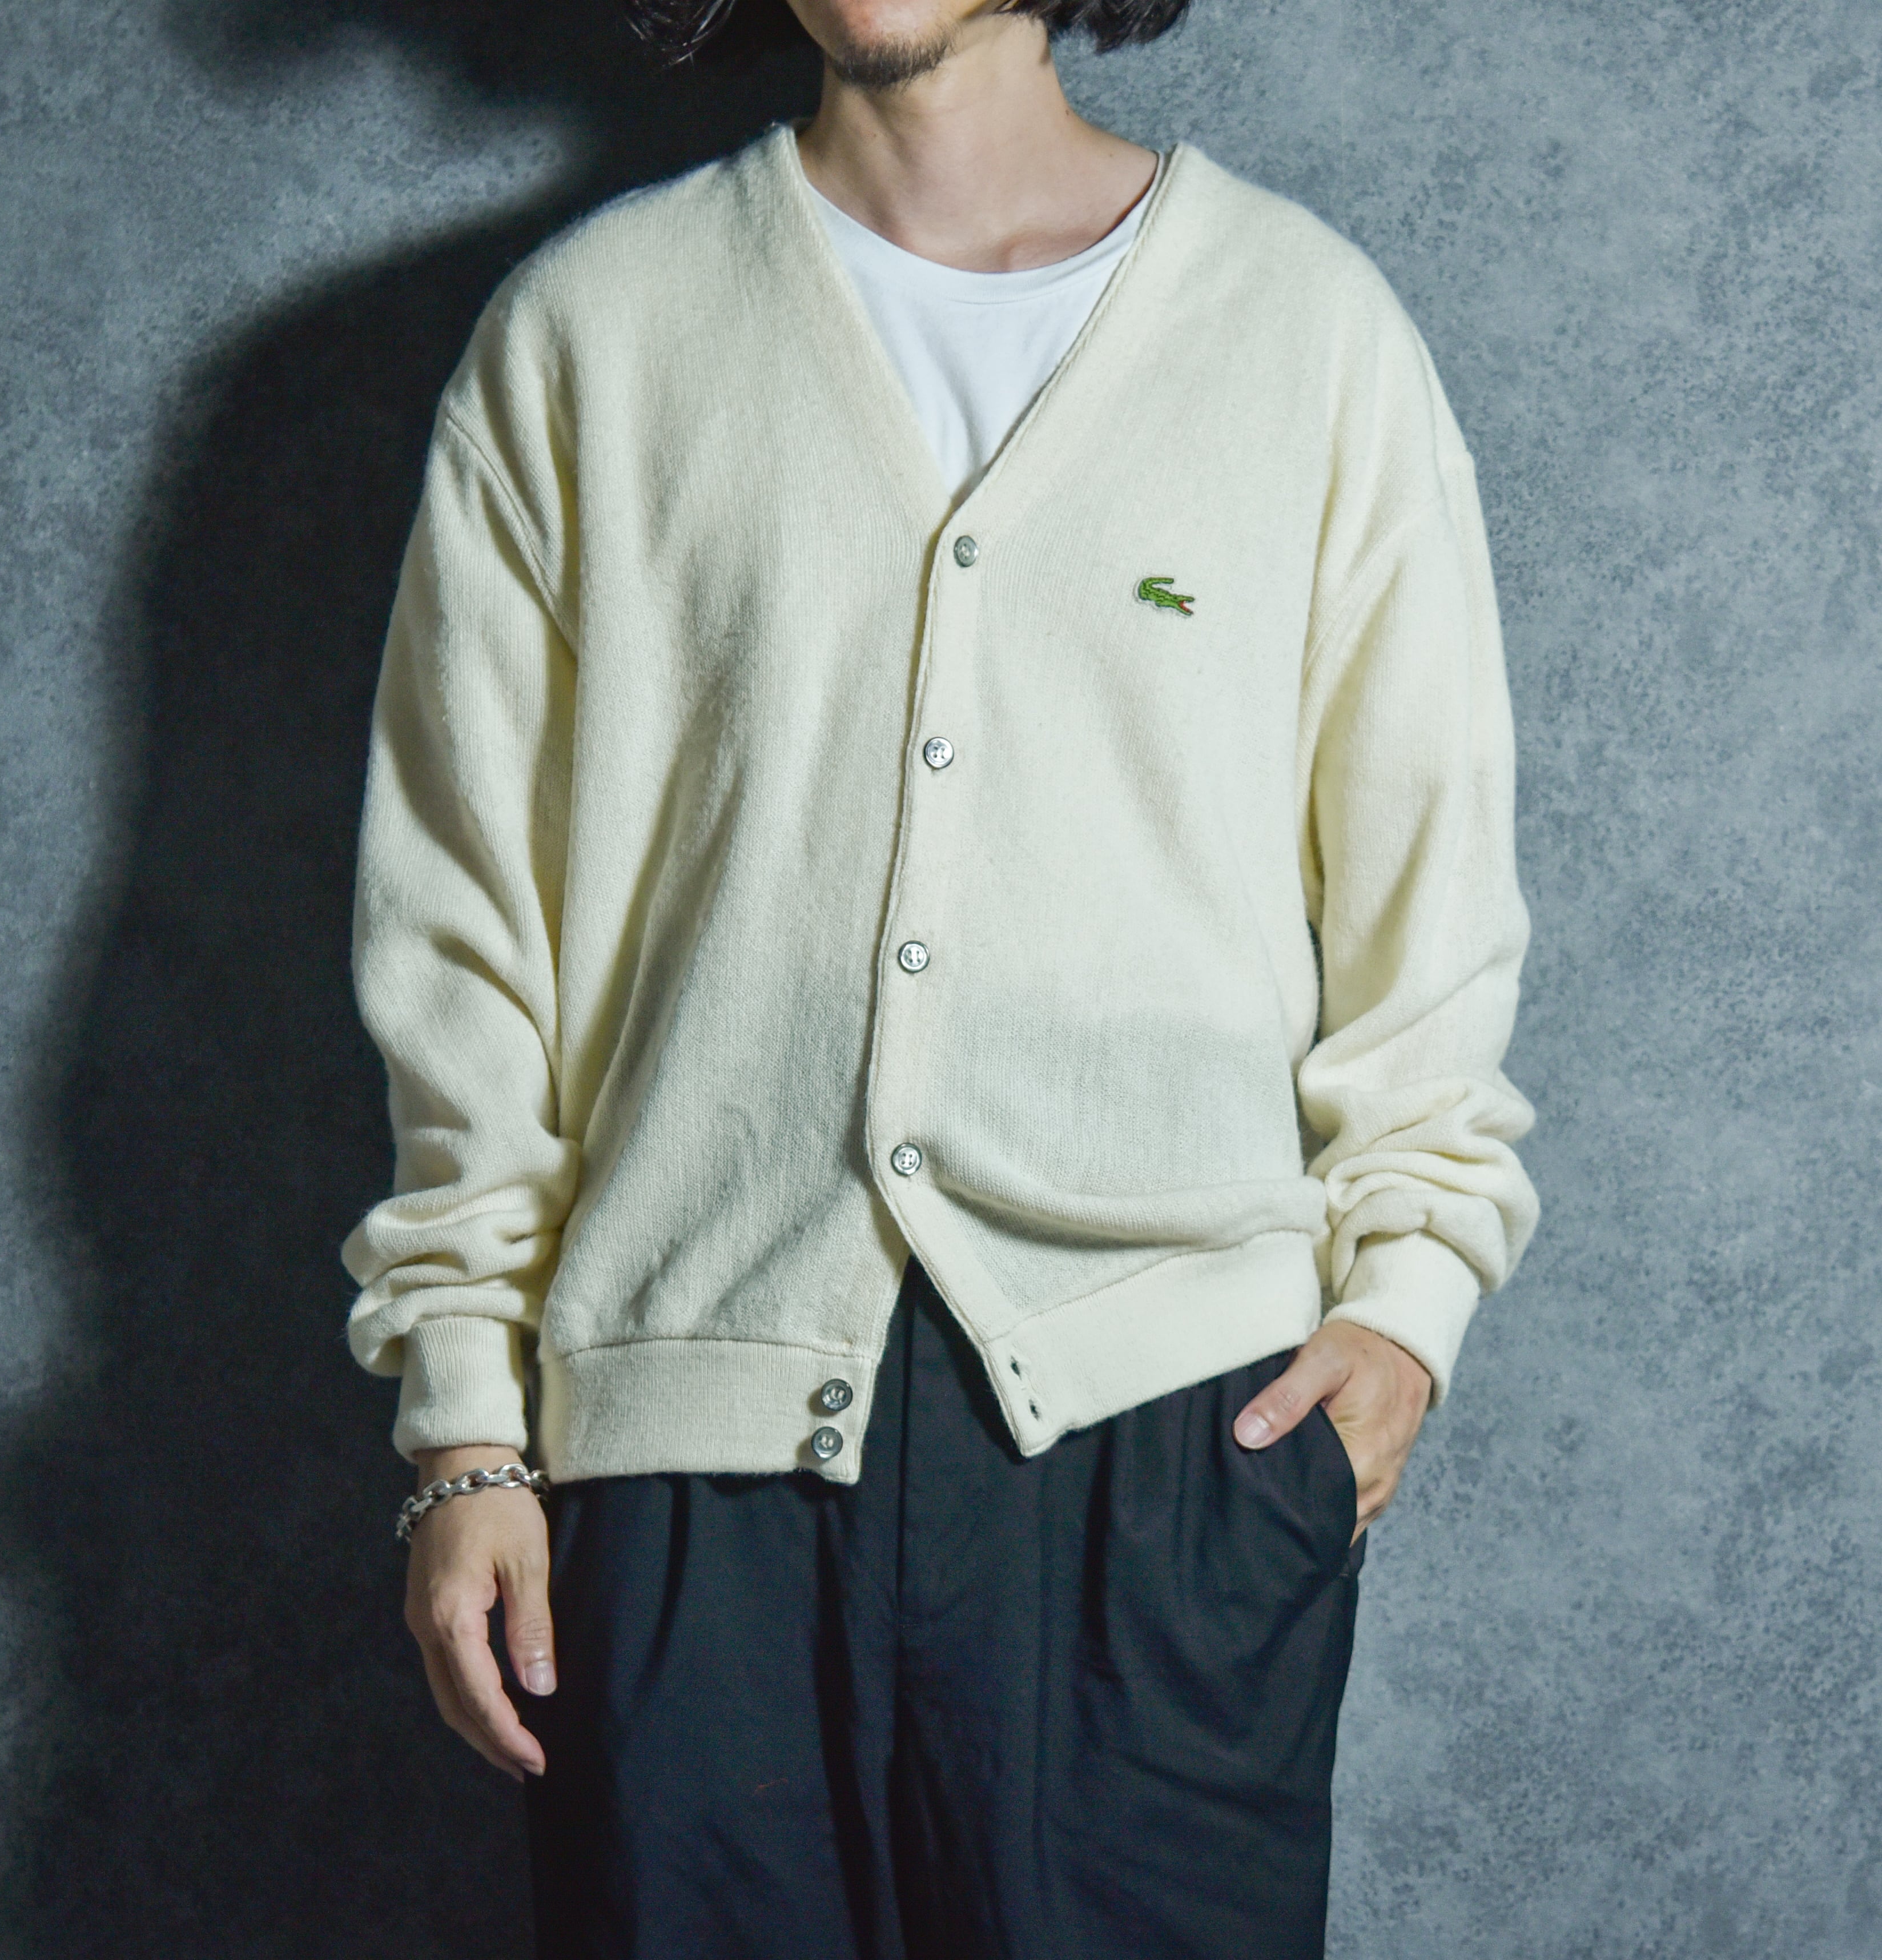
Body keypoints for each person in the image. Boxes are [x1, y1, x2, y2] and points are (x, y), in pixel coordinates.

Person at [341, 0, 1539, 1947]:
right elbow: (466, 936)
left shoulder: (1307, 335)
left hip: (1172, 1451)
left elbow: (1433, 889)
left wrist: (1407, 1308)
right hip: (685, 1455)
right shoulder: (590, 336)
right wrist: (466, 1427)